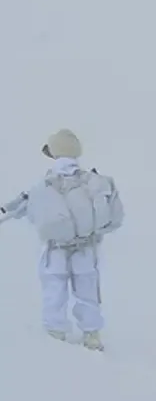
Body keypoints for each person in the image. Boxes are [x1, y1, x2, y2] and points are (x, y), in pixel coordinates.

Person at [0, 129, 125, 350]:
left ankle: (55, 333)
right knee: (87, 291)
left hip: (55, 249)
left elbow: (16, 209)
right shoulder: (95, 181)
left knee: (54, 290)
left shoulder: (44, 184)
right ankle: (92, 335)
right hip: (86, 248)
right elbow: (115, 219)